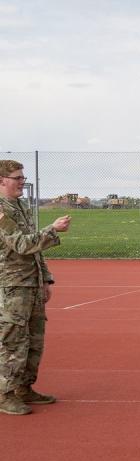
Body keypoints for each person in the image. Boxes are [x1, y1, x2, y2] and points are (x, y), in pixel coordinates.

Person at [0, 160, 71, 415]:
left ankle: (24, 387)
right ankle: (5, 394)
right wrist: (52, 229)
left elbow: (36, 250)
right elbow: (21, 244)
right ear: (2, 181)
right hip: (12, 286)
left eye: (22, 177)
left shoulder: (20, 206)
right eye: (17, 177)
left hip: (30, 283)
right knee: (13, 341)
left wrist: (46, 278)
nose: (22, 181)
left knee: (34, 340)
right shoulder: (1, 211)